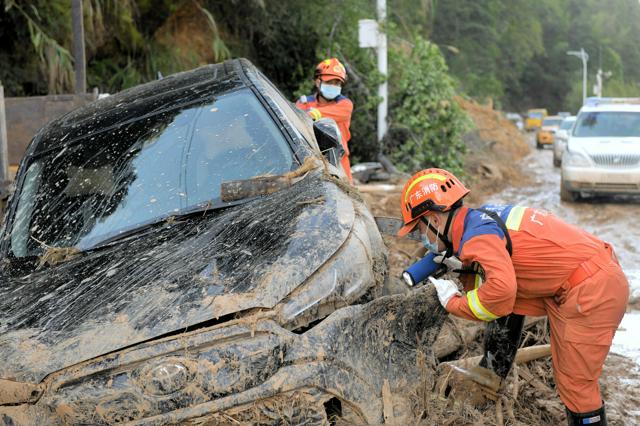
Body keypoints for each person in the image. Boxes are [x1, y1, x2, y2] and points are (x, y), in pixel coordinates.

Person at [397, 168, 629, 426]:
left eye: (419, 230)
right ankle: (490, 378)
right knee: (512, 311)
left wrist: (452, 301)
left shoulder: (477, 237)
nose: (421, 238)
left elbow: (501, 294)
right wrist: (465, 267)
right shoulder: (479, 220)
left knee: (576, 385)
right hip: (586, 278)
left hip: (592, 291)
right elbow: (504, 291)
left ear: (435, 221)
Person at [296, 58, 354, 182]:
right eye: (330, 82)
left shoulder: (345, 105)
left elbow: (306, 116)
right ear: (318, 82)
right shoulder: (304, 103)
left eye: (337, 83)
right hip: (310, 162)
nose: (334, 86)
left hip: (340, 163)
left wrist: (312, 114)